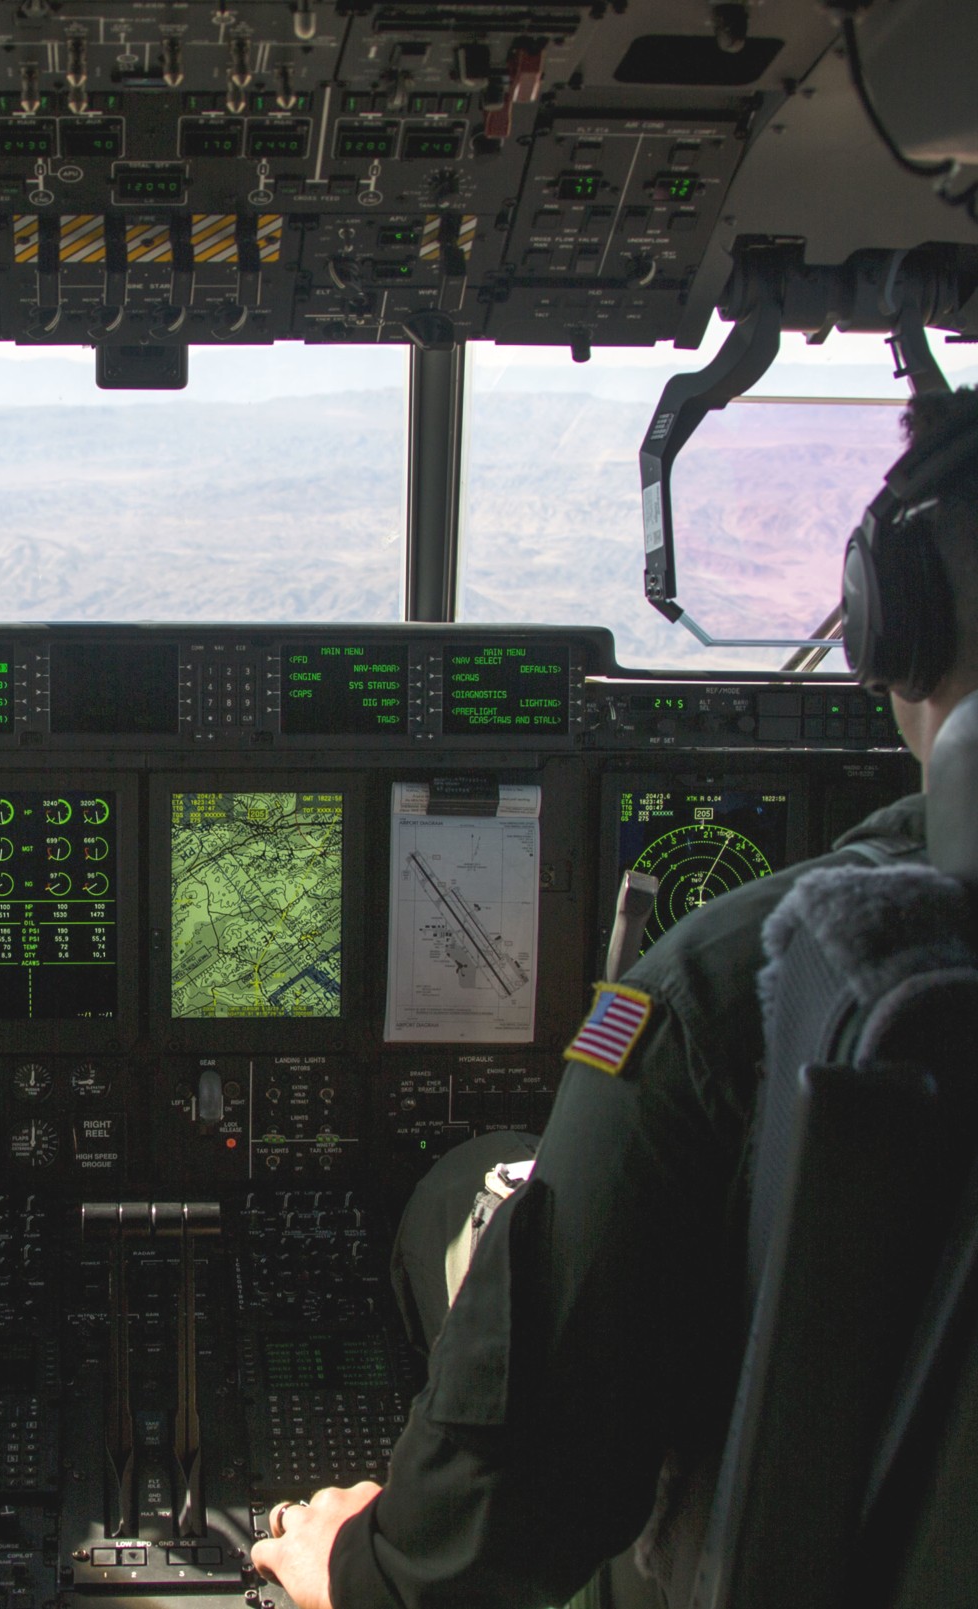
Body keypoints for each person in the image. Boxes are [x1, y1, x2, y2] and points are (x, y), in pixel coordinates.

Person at [251, 386, 978, 1609]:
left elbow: (515, 1485)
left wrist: (362, 1573)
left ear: (899, 615)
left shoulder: (732, 980)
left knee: (471, 1178)